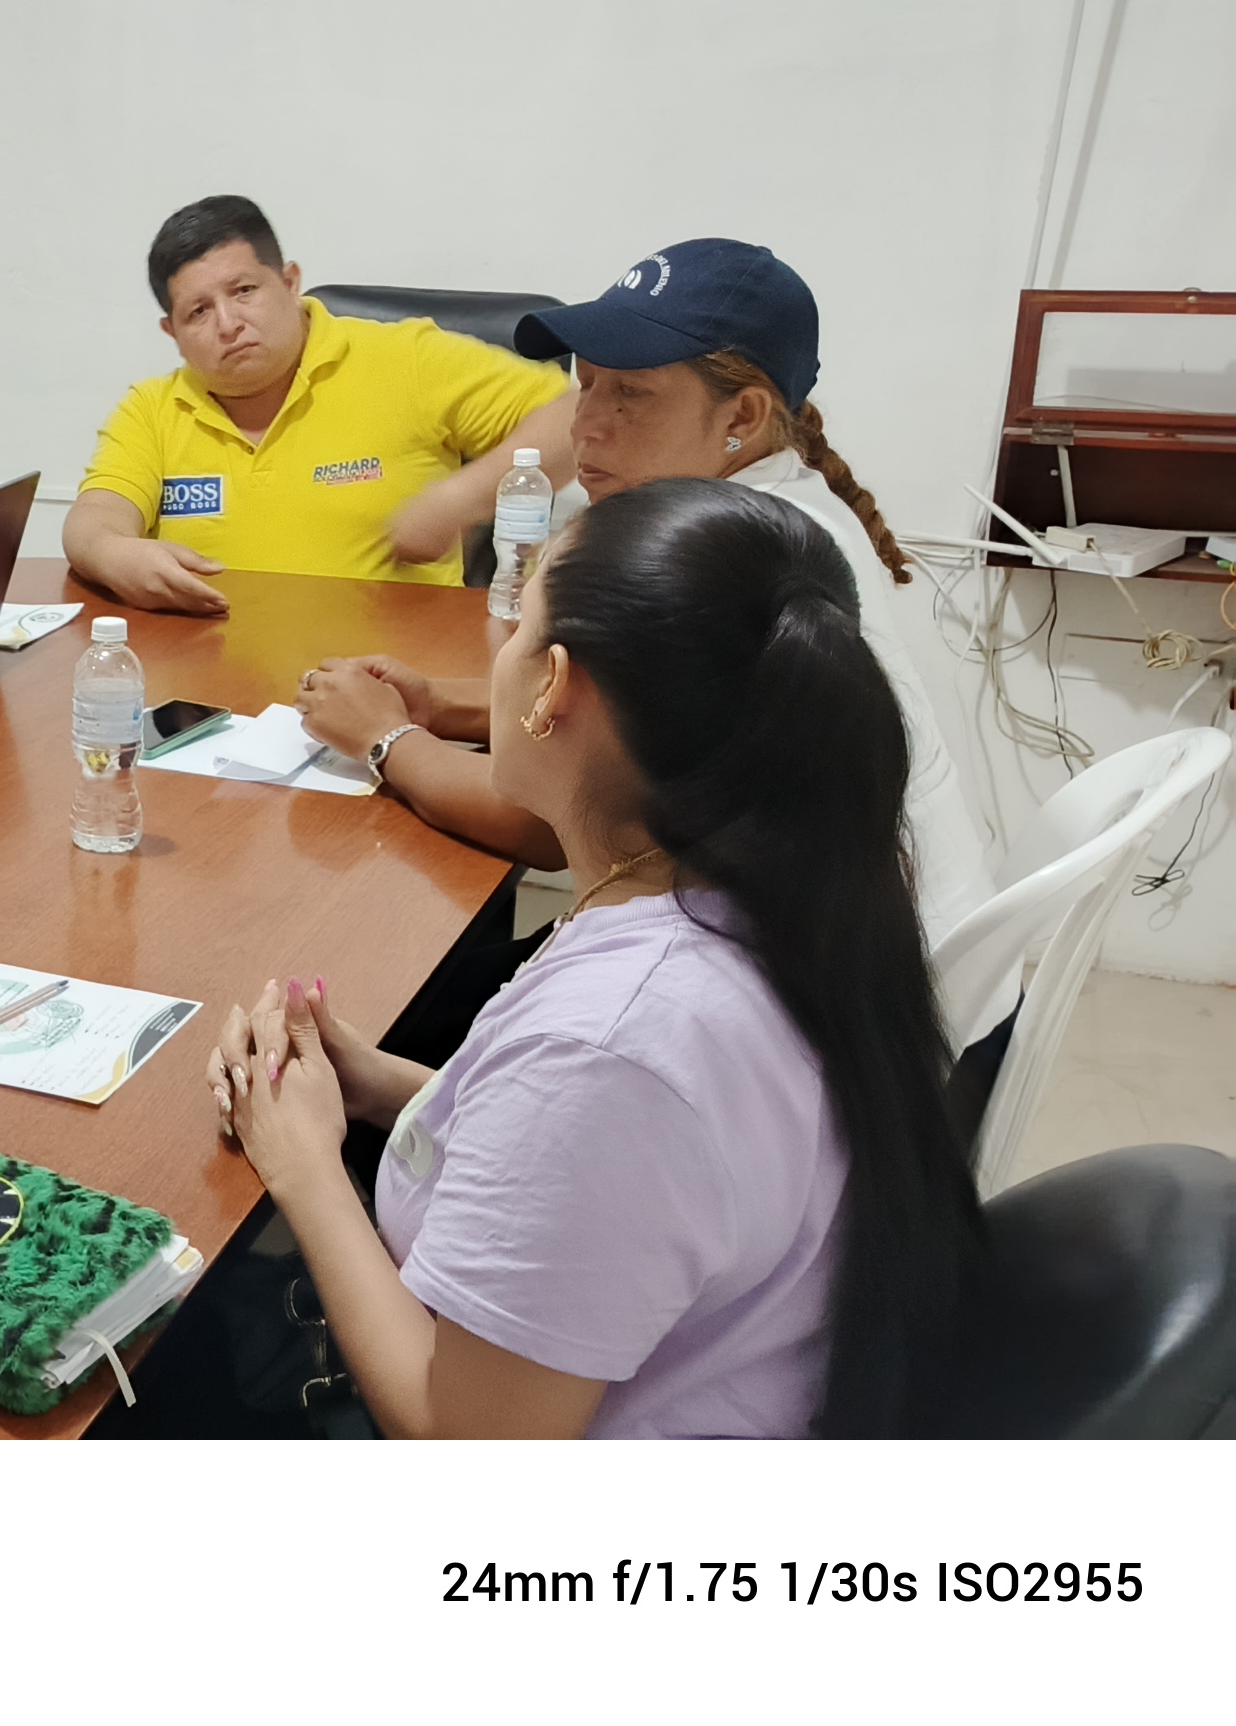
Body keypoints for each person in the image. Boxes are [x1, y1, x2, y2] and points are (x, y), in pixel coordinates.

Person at [211, 480, 983, 1438]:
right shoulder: (773, 895)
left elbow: (469, 1439)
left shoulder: (612, 1046)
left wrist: (304, 1164)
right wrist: (384, 1087)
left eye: (520, 625)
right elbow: (622, 1174)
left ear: (553, 687)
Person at [293, 239, 994, 959]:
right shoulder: (793, 507)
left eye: (631, 393)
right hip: (906, 957)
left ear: (742, 418)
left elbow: (547, 820)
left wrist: (384, 740)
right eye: (587, 384)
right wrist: (440, 703)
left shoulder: (706, 562)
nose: (586, 424)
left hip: (847, 995)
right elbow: (620, 716)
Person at [62, 195, 579, 617]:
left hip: (390, 680)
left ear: (289, 282)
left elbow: (579, 421)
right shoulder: (153, 409)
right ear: (171, 332)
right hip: (208, 683)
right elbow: (95, 518)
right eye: (198, 311)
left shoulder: (405, 359)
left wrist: (456, 501)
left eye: (244, 291)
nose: (227, 324)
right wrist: (114, 553)